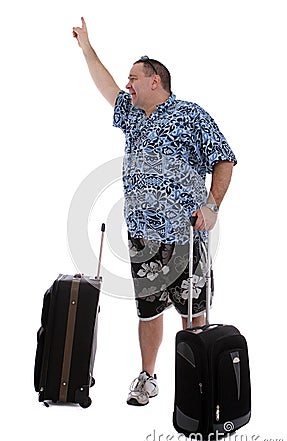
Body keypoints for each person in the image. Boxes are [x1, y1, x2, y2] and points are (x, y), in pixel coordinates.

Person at [73, 17, 237, 406]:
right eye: (128, 79)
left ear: (155, 81)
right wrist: (86, 48)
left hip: (186, 235)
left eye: (134, 78)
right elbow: (106, 85)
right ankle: (147, 377)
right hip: (142, 238)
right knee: (147, 311)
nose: (127, 85)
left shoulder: (190, 115)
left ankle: (195, 380)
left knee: (193, 311)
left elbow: (224, 160)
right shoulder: (132, 115)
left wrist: (211, 206)